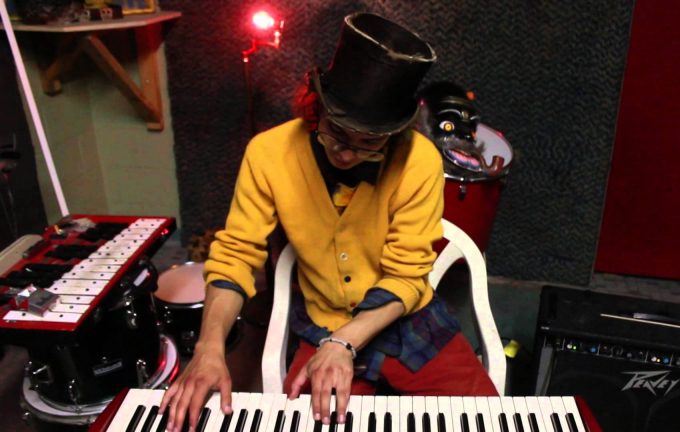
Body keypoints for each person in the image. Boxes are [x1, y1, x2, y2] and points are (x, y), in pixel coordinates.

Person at [159, 12, 498, 432]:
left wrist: (345, 343)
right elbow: (235, 257)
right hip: (322, 325)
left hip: (408, 323)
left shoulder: (420, 160)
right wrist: (209, 348)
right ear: (315, 103)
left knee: (487, 421)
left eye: (369, 141)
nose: (347, 153)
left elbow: (409, 275)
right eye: (336, 131)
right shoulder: (267, 154)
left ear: (395, 131)